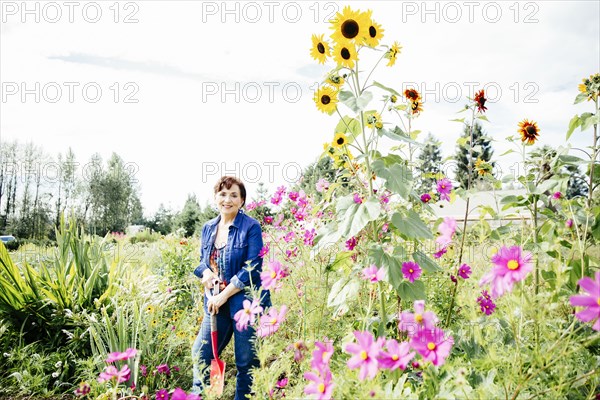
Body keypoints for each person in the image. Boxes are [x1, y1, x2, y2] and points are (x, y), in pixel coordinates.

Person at [191, 176, 270, 399]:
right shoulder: (208, 228)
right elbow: (202, 261)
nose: (228, 199)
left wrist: (223, 295)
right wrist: (205, 273)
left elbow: (252, 268)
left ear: (242, 200)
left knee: (246, 361)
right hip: (217, 302)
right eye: (223, 194)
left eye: (234, 195)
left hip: (244, 302)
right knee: (200, 353)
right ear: (216, 198)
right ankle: (200, 396)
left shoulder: (251, 227)